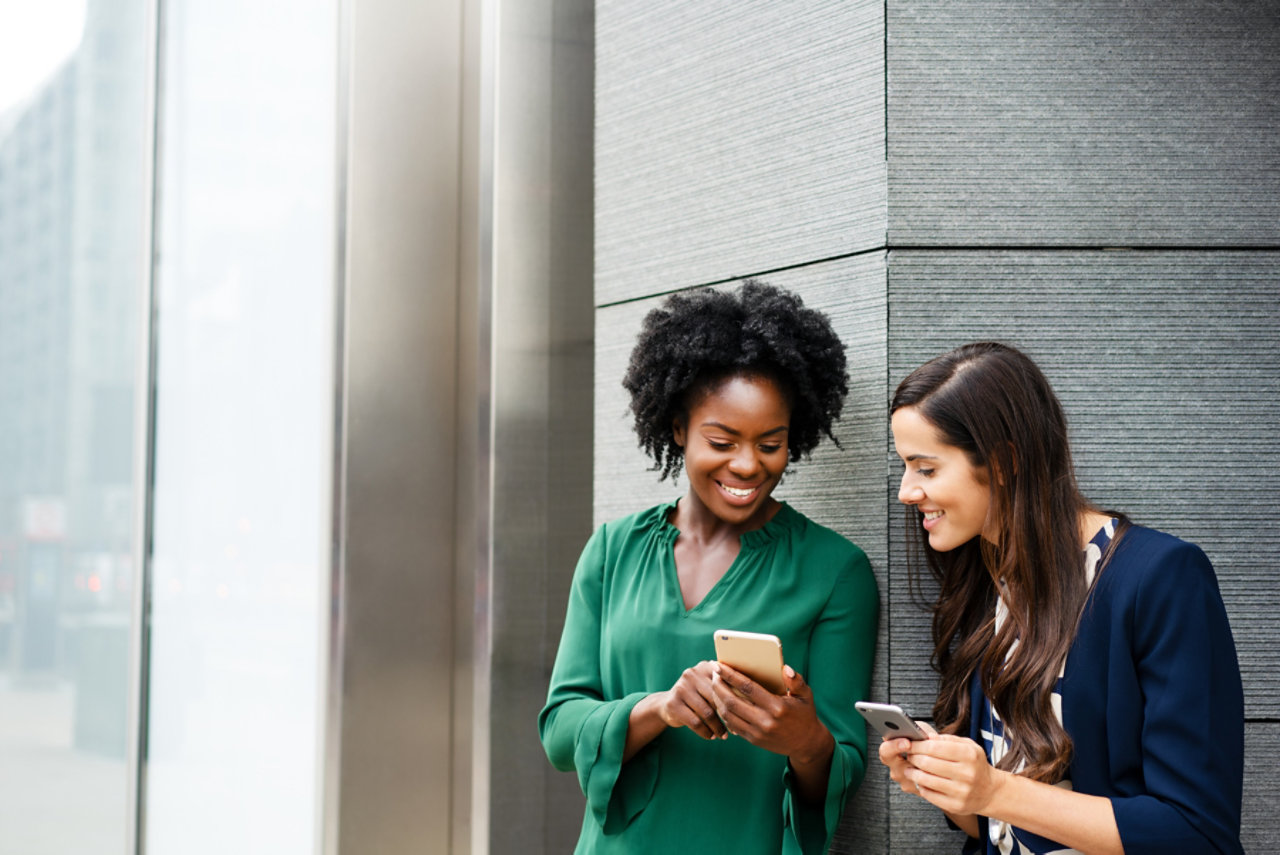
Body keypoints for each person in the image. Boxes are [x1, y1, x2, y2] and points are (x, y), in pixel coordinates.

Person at [538, 281, 879, 854]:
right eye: (722, 440)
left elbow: (841, 767)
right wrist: (659, 708)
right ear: (678, 429)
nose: (747, 465)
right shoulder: (612, 551)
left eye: (771, 444)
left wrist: (806, 740)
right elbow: (559, 729)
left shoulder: (835, 572)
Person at [881, 341, 1243, 854]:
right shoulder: (993, 582)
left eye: (926, 468)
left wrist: (994, 789)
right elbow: (996, 831)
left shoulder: (1160, 576)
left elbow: (1195, 831)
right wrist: (950, 786)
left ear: (1004, 461)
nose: (906, 491)